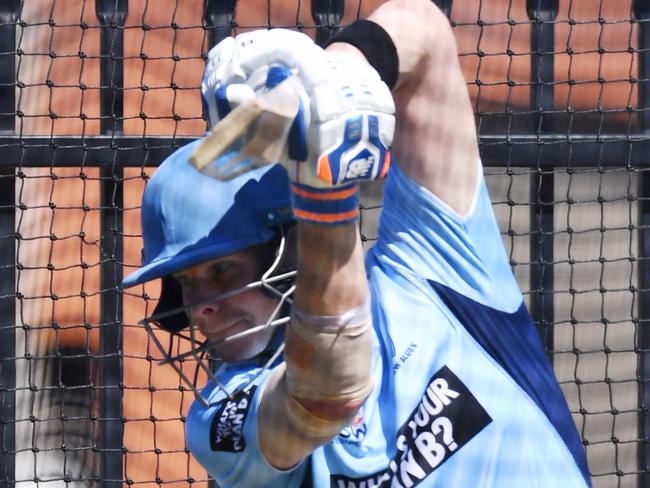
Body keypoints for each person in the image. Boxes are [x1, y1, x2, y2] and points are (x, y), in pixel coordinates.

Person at [122, 0, 591, 486]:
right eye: (186, 282)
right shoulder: (221, 415)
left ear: (291, 246)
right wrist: (323, 186)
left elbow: (426, 31)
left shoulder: (432, 262)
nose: (199, 309)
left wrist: (336, 75)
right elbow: (326, 395)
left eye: (222, 271)